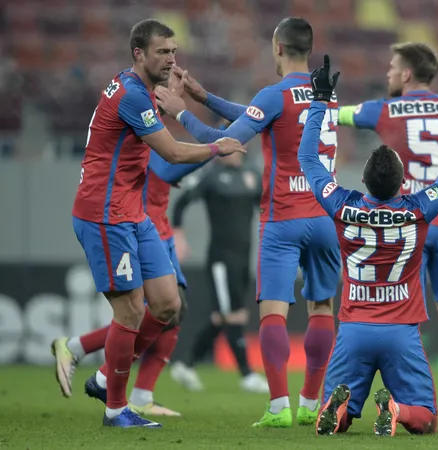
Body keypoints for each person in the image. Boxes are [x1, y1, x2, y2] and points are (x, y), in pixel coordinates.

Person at [154, 17, 340, 428]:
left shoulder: (273, 94)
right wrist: (205, 96)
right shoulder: (327, 93)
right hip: (325, 217)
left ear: (277, 48)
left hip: (284, 219)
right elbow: (261, 115)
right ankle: (311, 401)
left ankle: (278, 407)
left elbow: (223, 143)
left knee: (273, 311)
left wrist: (183, 112)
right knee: (322, 307)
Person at [70, 18, 243, 428]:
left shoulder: (138, 89)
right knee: (130, 312)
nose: (171, 59)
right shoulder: (131, 95)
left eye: (174, 51)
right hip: (104, 213)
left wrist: (174, 103)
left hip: (132, 211)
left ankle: (101, 377)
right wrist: (216, 146)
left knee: (168, 303)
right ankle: (115, 408)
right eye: (162, 52)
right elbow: (172, 153)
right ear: (139, 54)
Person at [301, 55, 438, 436]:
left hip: (352, 329)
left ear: (363, 183)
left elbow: (308, 160)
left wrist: (319, 101)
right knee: (426, 419)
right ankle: (397, 408)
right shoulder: (419, 208)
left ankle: (338, 409)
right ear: (404, 185)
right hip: (401, 330)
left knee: (340, 417)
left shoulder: (342, 204)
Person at [336, 41, 438, 419]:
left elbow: (336, 114)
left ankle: (387, 392)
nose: (389, 73)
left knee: (396, 307)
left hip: (405, 225)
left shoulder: (384, 109)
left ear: (407, 74)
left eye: (393, 67)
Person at [53, 147, 211, 418]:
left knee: (173, 309)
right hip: (140, 227)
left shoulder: (158, 134)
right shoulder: (141, 131)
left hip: (161, 228)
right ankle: (91, 360)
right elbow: (170, 167)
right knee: (142, 312)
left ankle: (138, 393)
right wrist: (216, 147)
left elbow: (169, 172)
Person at [168, 151, 268, 394]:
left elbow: (265, 209)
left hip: (244, 257)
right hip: (221, 259)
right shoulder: (212, 177)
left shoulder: (252, 175)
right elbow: (181, 204)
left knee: (224, 316)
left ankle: (185, 363)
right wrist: (178, 236)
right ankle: (247, 374)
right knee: (231, 314)